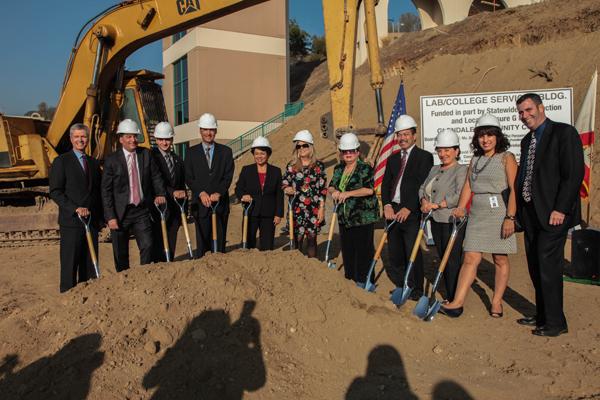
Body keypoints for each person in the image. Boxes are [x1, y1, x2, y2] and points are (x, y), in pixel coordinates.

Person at [515, 93, 584, 337]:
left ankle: (556, 323)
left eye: (528, 109)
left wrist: (561, 208)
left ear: (541, 108)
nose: (525, 115)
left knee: (548, 264)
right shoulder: (527, 140)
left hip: (554, 213)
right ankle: (543, 313)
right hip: (531, 213)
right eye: (521, 112)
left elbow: (574, 174)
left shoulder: (563, 133)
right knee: (535, 265)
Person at [442, 114, 518, 318]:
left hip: (500, 213)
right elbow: (468, 185)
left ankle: (496, 301)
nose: (486, 139)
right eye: (482, 135)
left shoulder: (507, 158)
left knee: (500, 258)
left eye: (490, 135)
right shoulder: (474, 160)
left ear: (498, 136)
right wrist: (460, 206)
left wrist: (510, 218)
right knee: (470, 257)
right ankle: (457, 302)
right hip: (477, 214)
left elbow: (514, 189)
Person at [101, 119, 166, 271]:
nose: (133, 140)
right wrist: (110, 217)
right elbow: (106, 191)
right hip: (120, 212)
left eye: (135, 136)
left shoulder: (146, 155)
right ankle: (124, 281)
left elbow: (156, 176)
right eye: (129, 137)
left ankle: (143, 276)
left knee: (148, 245)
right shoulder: (112, 160)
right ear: (121, 139)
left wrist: (160, 193)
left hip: (141, 210)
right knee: (121, 252)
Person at [381, 115, 433, 299]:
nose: (402, 138)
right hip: (392, 211)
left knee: (412, 251)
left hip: (410, 212)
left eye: (406, 134)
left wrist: (409, 207)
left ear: (414, 135)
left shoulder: (424, 157)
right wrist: (387, 205)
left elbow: (423, 184)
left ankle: (416, 288)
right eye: (399, 135)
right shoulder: (393, 159)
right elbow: (385, 184)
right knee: (395, 253)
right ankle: (403, 284)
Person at [49, 123, 102, 292]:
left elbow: (97, 193)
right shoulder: (61, 162)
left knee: (89, 265)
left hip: (90, 222)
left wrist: (100, 219)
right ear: (71, 139)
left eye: (83, 136)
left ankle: (87, 298)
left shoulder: (93, 163)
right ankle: (67, 302)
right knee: (70, 264)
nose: (81, 140)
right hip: (71, 222)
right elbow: (56, 192)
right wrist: (75, 208)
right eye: (77, 137)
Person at [419, 128, 467, 302]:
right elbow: (422, 188)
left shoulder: (461, 170)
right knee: (442, 258)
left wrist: (438, 204)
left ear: (456, 151)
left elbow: (460, 194)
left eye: (447, 150)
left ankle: (455, 298)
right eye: (440, 150)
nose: (443, 154)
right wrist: (424, 201)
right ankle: (449, 295)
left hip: (451, 221)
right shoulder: (434, 169)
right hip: (437, 220)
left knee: (452, 260)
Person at [328, 133, 379, 286]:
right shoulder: (338, 169)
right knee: (348, 250)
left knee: (363, 251)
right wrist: (334, 192)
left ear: (357, 152)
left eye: (351, 151)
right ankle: (350, 280)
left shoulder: (365, 168)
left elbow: (369, 190)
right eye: (345, 151)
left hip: (362, 217)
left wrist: (347, 194)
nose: (348, 154)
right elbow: (331, 185)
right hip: (345, 217)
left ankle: (364, 281)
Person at [184, 113, 234, 257]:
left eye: (211, 129)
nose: (208, 133)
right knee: (202, 248)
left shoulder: (226, 152)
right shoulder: (191, 153)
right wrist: (201, 193)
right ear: (200, 130)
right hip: (200, 206)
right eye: (205, 129)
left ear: (216, 131)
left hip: (220, 206)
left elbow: (227, 176)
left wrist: (219, 192)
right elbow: (189, 177)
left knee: (219, 247)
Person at [282, 129, 327, 257]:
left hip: (314, 209)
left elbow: (323, 189)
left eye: (305, 145)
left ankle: (312, 269)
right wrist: (287, 189)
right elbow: (284, 182)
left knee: (312, 240)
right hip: (296, 209)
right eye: (298, 146)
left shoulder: (319, 166)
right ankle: (299, 270)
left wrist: (322, 208)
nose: (301, 148)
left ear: (310, 146)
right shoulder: (291, 166)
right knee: (298, 240)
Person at [235, 137, 284, 250]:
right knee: (248, 244)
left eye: (262, 153)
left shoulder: (276, 171)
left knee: (267, 246)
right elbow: (238, 188)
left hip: (269, 214)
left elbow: (279, 194)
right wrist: (243, 195)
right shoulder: (247, 170)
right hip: (251, 212)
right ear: (253, 154)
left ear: (268, 154)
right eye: (256, 153)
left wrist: (278, 214)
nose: (259, 156)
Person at [151, 122, 186, 262]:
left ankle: (169, 263)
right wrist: (172, 193)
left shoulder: (177, 159)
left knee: (171, 240)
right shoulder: (151, 157)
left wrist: (184, 204)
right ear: (156, 139)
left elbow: (181, 184)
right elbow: (154, 181)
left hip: (175, 209)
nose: (164, 142)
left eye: (167, 139)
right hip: (158, 207)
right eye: (161, 139)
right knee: (158, 242)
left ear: (172, 140)